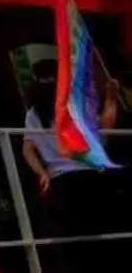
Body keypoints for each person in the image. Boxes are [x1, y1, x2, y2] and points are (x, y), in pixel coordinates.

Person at [21, 58, 122, 272]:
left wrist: (42, 173)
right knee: (104, 238)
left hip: (60, 182)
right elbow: (105, 128)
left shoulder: (33, 114)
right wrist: (111, 97)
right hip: (89, 176)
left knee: (72, 243)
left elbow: (27, 149)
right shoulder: (75, 107)